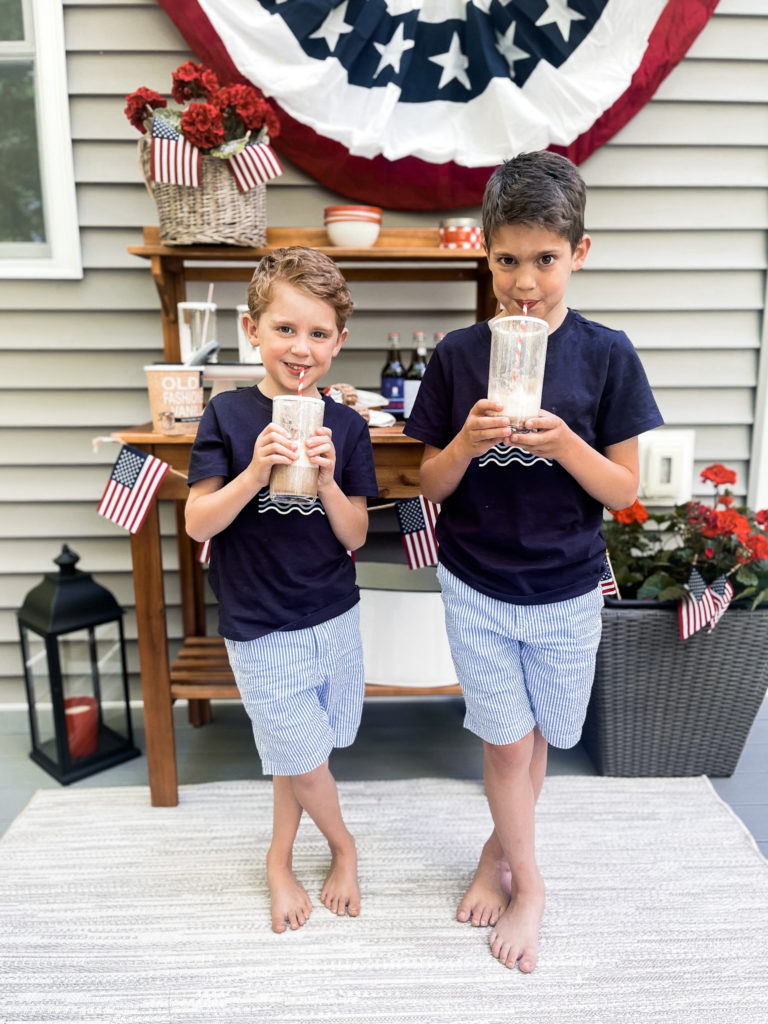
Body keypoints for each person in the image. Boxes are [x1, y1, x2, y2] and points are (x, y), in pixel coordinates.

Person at [404, 151, 663, 973]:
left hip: (566, 583)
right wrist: (468, 442)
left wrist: (567, 441)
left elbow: (622, 489)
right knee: (507, 743)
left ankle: (495, 852)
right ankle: (532, 883)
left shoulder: (608, 354)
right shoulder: (456, 355)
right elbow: (428, 483)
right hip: (477, 579)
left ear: (578, 254)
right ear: (485, 254)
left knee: (543, 733)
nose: (525, 283)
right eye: (507, 259)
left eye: (545, 260)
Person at [186, 247, 378, 934]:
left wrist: (326, 479)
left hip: (331, 616)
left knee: (301, 748)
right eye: (285, 329)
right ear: (253, 329)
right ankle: (342, 847)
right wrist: (251, 474)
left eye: (318, 333)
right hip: (259, 623)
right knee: (300, 753)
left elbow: (355, 535)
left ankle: (277, 851)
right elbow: (197, 520)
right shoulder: (229, 416)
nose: (301, 348)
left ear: (338, 343)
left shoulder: (349, 427)